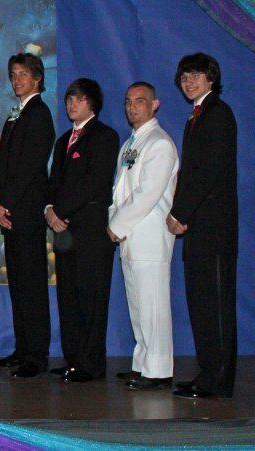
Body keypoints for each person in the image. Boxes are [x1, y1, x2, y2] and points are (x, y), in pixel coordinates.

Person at [167, 53, 238, 399]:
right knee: (201, 305)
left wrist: (179, 212)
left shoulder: (217, 114)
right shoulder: (195, 118)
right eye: (184, 77)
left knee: (216, 305)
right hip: (198, 227)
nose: (189, 82)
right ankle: (208, 372)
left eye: (195, 75)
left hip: (213, 228)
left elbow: (207, 172)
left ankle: (219, 379)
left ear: (211, 79)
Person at [45, 78, 119, 383]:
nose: (71, 104)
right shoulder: (63, 140)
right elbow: (53, 181)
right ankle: (73, 359)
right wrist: (49, 209)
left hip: (90, 232)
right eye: (68, 99)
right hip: (63, 232)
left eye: (78, 99)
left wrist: (61, 210)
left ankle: (91, 364)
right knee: (68, 298)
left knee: (91, 297)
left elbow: (96, 182)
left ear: (92, 103)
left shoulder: (105, 136)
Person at [108, 82, 179, 390]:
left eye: (140, 101)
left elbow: (148, 194)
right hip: (129, 235)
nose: (132, 107)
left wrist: (117, 225)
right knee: (137, 303)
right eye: (128, 102)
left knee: (153, 303)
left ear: (154, 105)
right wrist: (115, 219)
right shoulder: (131, 144)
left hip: (149, 234)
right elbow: (119, 190)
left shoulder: (160, 143)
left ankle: (159, 369)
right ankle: (143, 362)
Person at [0, 53, 55, 378]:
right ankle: (22, 347)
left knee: (32, 285)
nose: (17, 80)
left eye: (23, 74)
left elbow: (31, 167)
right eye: (13, 74)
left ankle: (37, 355)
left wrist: (6, 203)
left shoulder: (40, 114)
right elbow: (1, 164)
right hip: (10, 212)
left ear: (37, 78)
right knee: (17, 283)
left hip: (26, 213)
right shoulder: (14, 116)